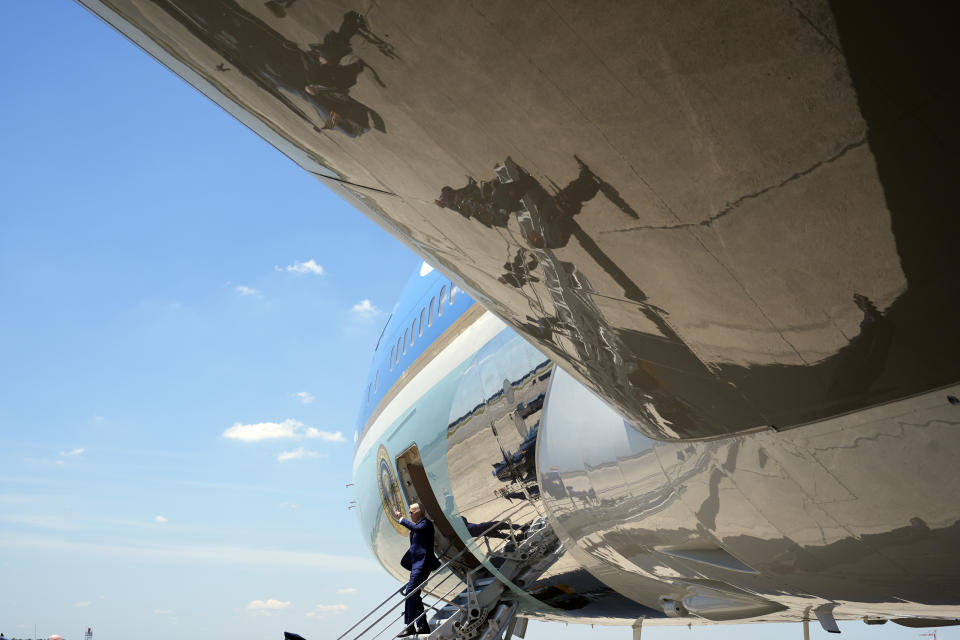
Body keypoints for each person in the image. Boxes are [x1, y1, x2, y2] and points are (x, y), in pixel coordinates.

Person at [392, 503, 440, 637]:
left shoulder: (426, 524)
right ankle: (423, 625)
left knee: (410, 592)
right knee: (415, 595)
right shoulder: (419, 525)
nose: (410, 514)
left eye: (412, 512)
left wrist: (401, 519)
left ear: (419, 512)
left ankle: (410, 625)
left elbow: (417, 529)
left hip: (422, 565)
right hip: (416, 565)